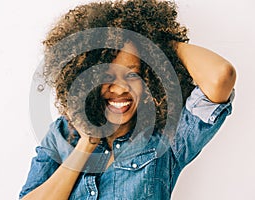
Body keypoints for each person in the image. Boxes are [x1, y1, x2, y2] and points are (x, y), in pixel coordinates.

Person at [19, 0, 236, 199]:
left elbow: (221, 76)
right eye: (106, 76)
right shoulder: (62, 134)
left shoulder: (166, 139)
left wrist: (158, 44)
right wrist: (87, 143)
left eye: (132, 74)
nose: (121, 88)